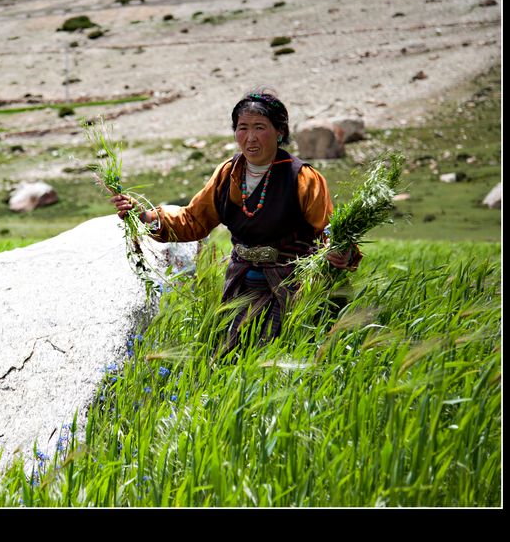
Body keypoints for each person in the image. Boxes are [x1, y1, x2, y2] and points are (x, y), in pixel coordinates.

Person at [110, 88, 360, 352]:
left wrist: (341, 252)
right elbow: (193, 220)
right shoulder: (228, 173)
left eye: (260, 127)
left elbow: (330, 231)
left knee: (289, 355)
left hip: (292, 285)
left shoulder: (303, 178)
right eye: (242, 128)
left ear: (279, 132)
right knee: (232, 360)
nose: (250, 138)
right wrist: (145, 217)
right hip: (242, 284)